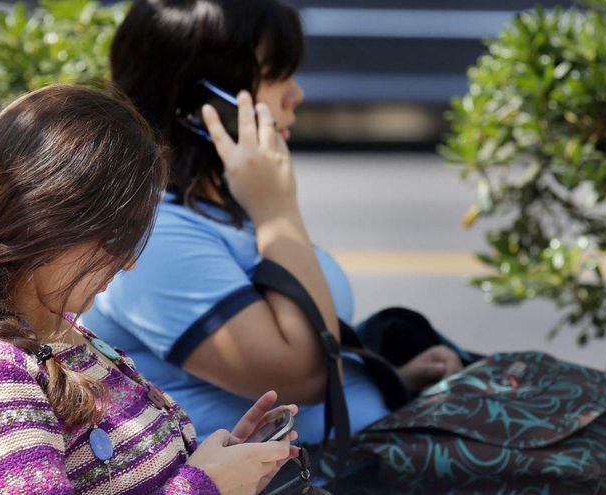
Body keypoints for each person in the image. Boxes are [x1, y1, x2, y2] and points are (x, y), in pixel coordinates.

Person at [80, 0, 464, 453]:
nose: (295, 94)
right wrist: (279, 212)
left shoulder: (223, 209)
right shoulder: (156, 238)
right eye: (273, 75)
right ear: (203, 101)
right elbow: (303, 376)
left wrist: (387, 379)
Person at [0, 84, 298, 495]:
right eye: (117, 237)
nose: (129, 261)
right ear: (44, 217)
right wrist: (208, 486)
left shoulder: (48, 327)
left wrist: (222, 467)